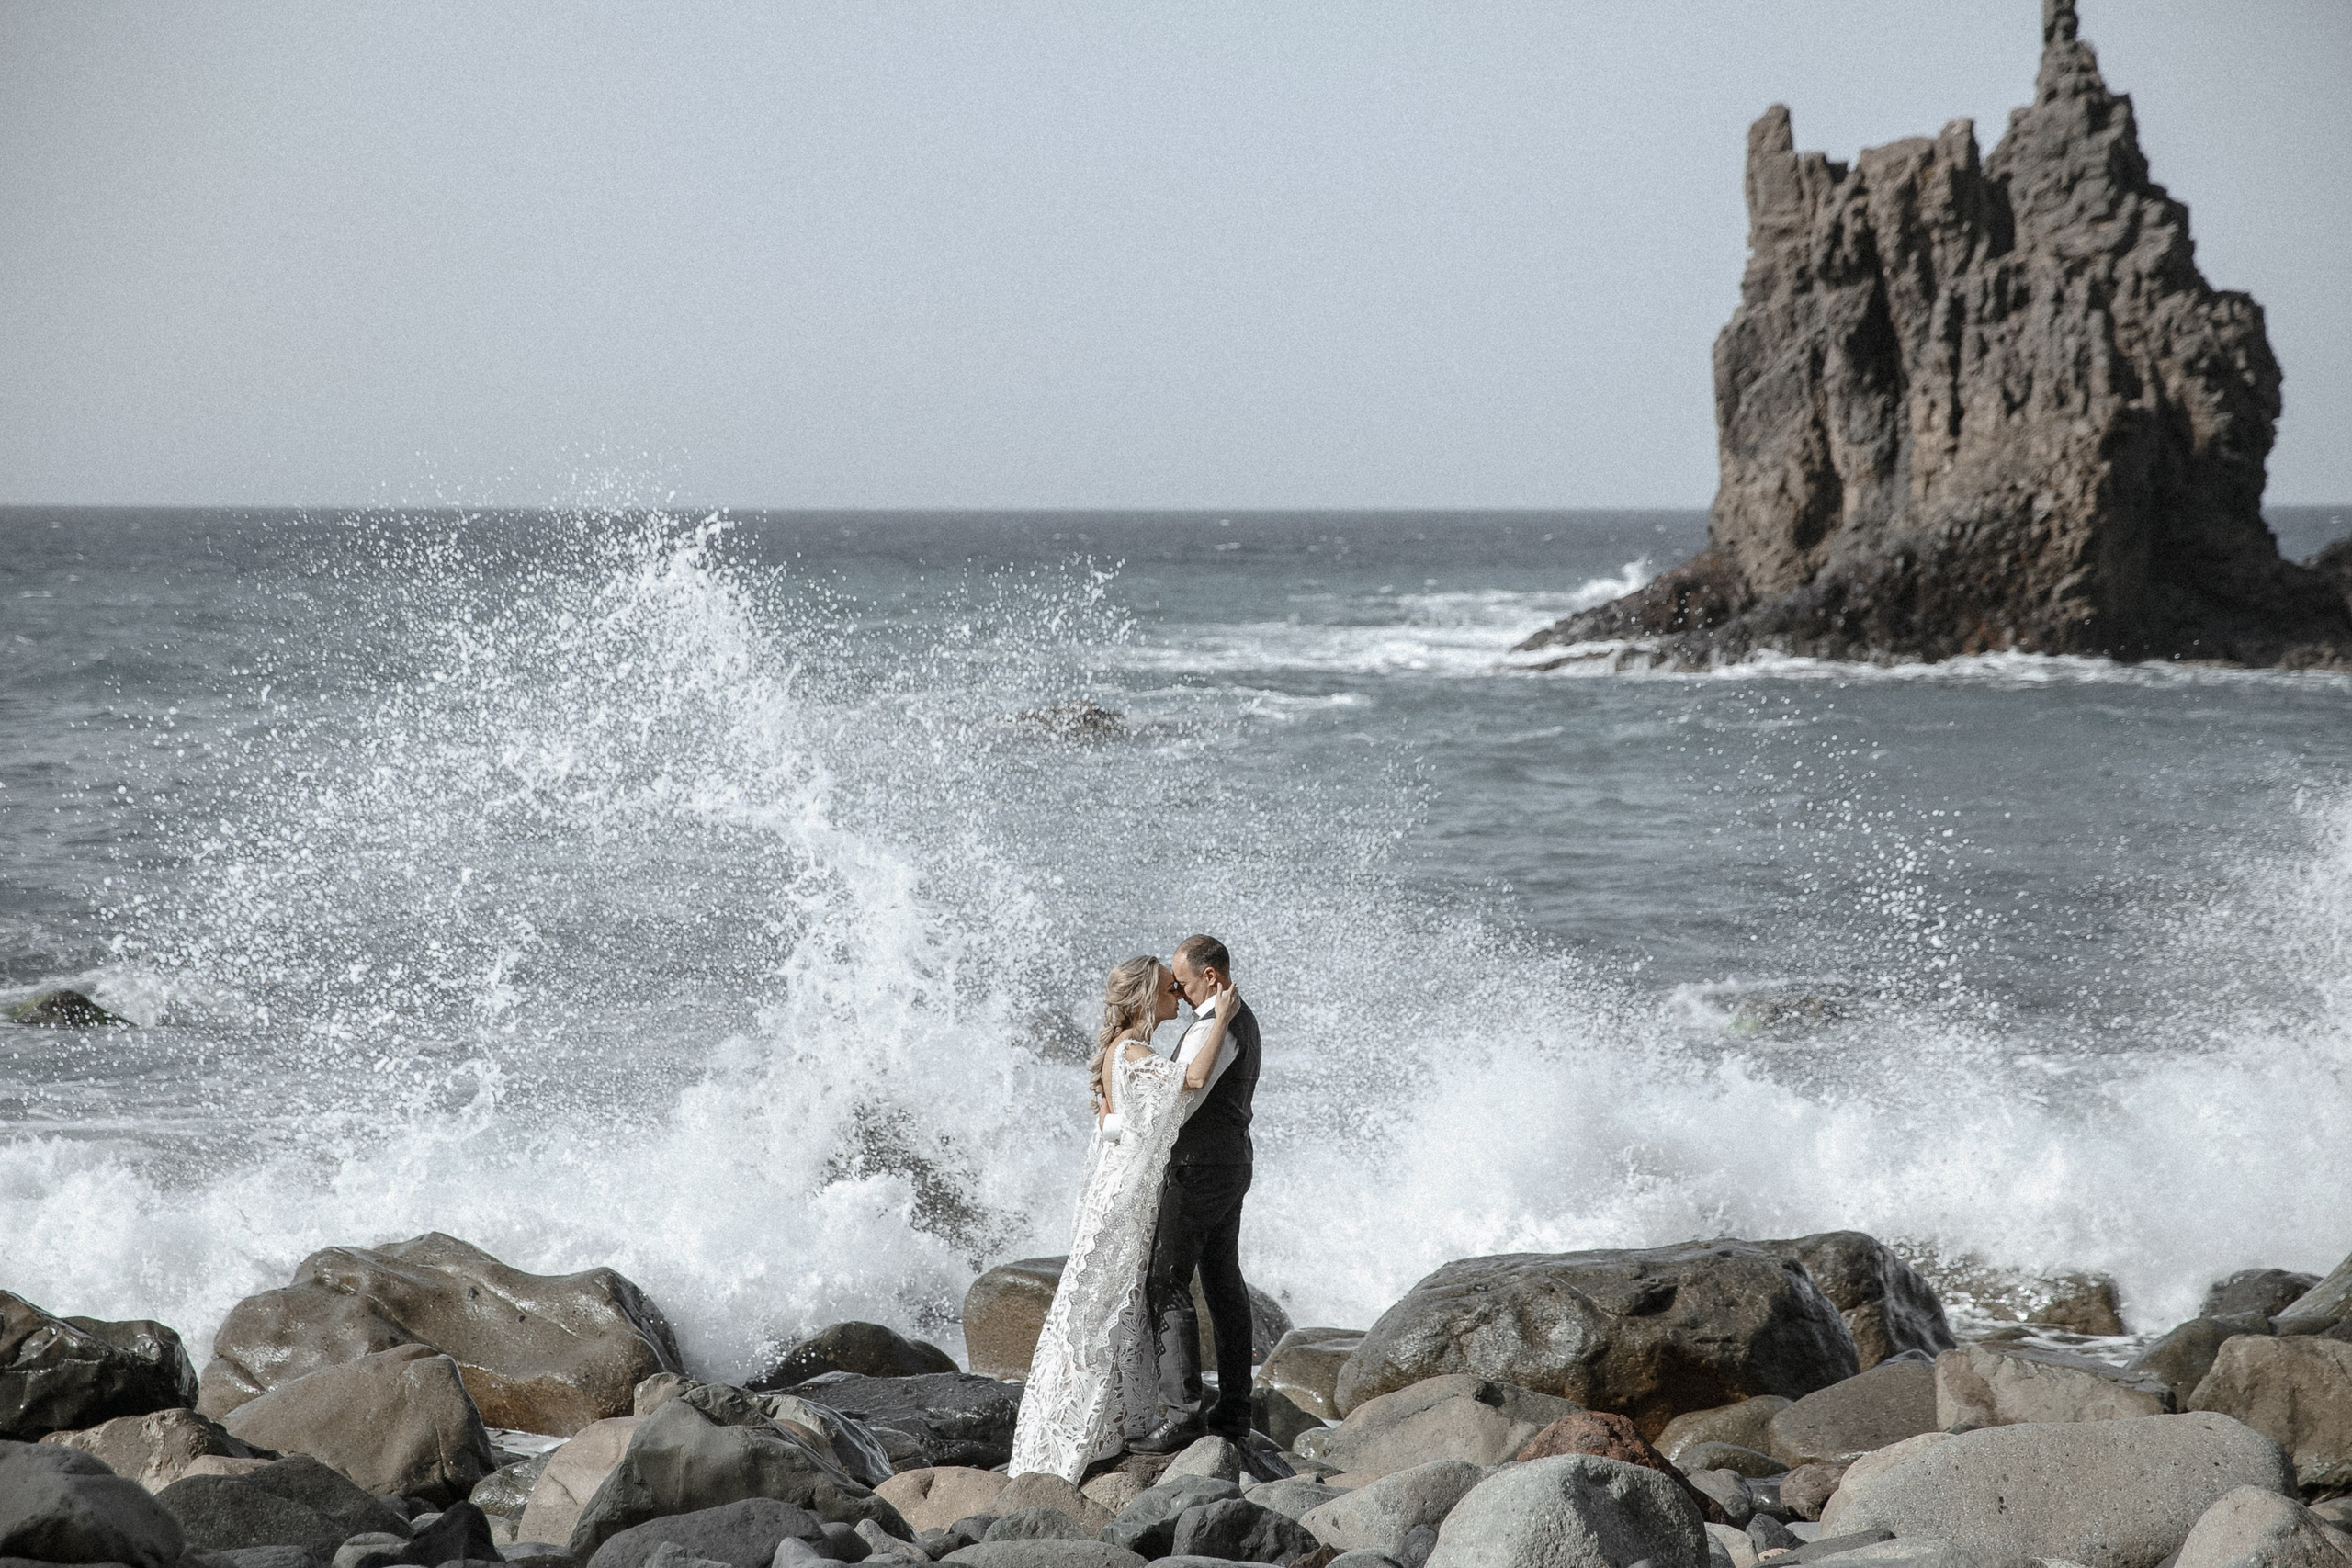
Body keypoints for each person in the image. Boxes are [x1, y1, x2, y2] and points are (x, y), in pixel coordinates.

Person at [1006, 952, 1241, 1483]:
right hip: (1127, 1198)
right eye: (1168, 988)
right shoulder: (1133, 1050)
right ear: (1144, 997)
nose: (1177, 996)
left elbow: (1112, 1126)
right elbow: (1193, 1079)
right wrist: (1222, 1018)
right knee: (1106, 1305)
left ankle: (1110, 1424)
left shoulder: (1119, 1051)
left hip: (1117, 1189)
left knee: (1114, 1305)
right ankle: (1078, 1432)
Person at [1129, 932, 1261, 1453]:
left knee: (1166, 1279)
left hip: (1200, 1169)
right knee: (1223, 1282)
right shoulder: (1241, 1020)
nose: (1179, 995)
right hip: (1229, 1162)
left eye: (1182, 984)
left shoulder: (1215, 1027)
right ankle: (1233, 1412)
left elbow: (1180, 1104)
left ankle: (1182, 1413)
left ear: (1211, 976)